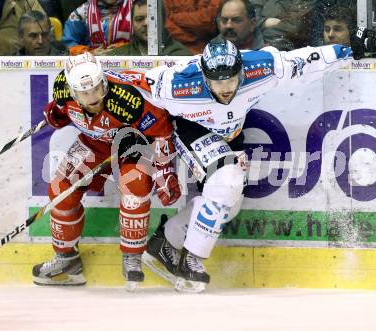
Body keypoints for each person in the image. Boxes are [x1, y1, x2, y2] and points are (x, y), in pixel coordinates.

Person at [134, 38, 357, 293]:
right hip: (189, 130)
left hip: (230, 137)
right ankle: (192, 260)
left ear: (241, 70)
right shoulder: (177, 83)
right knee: (226, 180)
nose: (226, 88)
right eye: (217, 82)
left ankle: (167, 239)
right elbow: (130, 85)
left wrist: (349, 49)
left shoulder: (259, 67)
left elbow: (305, 61)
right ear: (205, 77)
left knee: (228, 206)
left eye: (231, 79)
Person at [32, 52, 181, 292]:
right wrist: (55, 116)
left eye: (96, 90)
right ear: (72, 91)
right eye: (84, 93)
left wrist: (164, 170)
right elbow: (60, 111)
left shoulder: (125, 100)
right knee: (60, 189)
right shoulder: (61, 88)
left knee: (136, 190)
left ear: (103, 82)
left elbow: (162, 132)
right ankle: (67, 261)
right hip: (94, 146)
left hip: (133, 147)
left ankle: (132, 256)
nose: (92, 98)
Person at [107, 0, 191, 56]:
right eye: (139, 19)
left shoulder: (181, 56)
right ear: (132, 22)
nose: (146, 23)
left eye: (152, 18)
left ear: (163, 20)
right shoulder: (118, 56)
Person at [62, 0, 132, 55]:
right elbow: (69, 45)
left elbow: (142, 40)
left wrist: (123, 48)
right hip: (91, 65)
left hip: (130, 59)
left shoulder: (135, 7)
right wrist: (90, 53)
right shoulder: (81, 12)